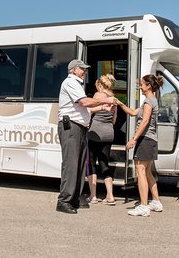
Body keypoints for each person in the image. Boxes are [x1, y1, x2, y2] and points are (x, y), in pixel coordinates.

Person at [56, 59, 117, 214]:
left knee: (80, 165)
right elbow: (84, 103)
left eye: (85, 69)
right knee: (71, 164)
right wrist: (105, 99)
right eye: (82, 69)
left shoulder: (78, 85)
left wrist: (101, 106)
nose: (85, 71)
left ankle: (74, 198)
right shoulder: (70, 82)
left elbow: (85, 109)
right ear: (73, 70)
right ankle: (64, 201)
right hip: (71, 127)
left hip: (80, 128)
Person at [114, 74, 164, 217]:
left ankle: (143, 206)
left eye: (141, 84)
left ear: (148, 86)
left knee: (140, 171)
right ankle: (156, 201)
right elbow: (133, 113)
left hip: (145, 140)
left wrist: (134, 139)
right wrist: (120, 103)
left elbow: (145, 121)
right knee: (147, 172)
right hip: (150, 140)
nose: (140, 87)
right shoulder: (150, 100)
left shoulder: (149, 101)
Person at [86, 74, 117, 205]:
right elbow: (114, 120)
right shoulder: (113, 99)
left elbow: (89, 110)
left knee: (92, 163)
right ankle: (110, 195)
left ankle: (93, 196)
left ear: (99, 85)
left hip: (95, 132)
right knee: (105, 163)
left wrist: (99, 108)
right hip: (109, 133)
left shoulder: (98, 96)